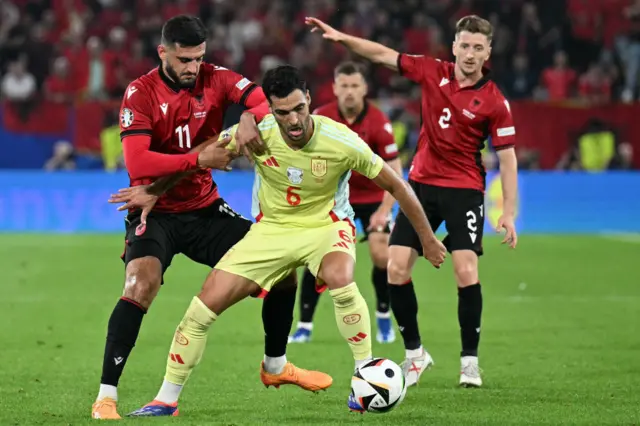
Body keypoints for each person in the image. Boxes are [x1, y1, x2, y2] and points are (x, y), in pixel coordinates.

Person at [121, 65, 446, 415]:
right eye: (282, 112)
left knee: (341, 277)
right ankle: (166, 400)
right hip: (271, 230)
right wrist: (155, 191)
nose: (293, 120)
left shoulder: (340, 141)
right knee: (203, 305)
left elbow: (398, 184)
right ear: (270, 110)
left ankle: (362, 379)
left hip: (325, 226)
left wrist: (427, 239)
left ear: (308, 100)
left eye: (299, 109)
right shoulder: (255, 133)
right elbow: (203, 159)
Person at [92, 16, 331, 420]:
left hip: (205, 209)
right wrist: (200, 157)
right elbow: (138, 160)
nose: (192, 68)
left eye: (199, 59)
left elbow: (257, 97)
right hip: (154, 208)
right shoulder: (140, 93)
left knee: (284, 270)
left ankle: (275, 366)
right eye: (184, 60)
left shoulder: (216, 78)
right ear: (163, 52)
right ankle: (106, 396)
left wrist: (250, 117)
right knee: (140, 284)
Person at [306, 14, 519, 387]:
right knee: (395, 267)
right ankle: (415, 354)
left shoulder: (495, 101)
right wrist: (341, 37)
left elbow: (508, 157)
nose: (470, 54)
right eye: (464, 46)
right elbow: (382, 55)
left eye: (478, 48)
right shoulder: (431, 71)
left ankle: (469, 361)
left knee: (466, 270)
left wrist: (509, 212)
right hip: (419, 186)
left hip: (464, 191)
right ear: (454, 47)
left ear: (488, 52)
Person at [289, 61, 402, 345]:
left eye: (355, 86)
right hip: (336, 200)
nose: (350, 92)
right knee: (316, 261)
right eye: (345, 86)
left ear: (364, 88)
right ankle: (304, 325)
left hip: (375, 199)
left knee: (381, 255)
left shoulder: (379, 122)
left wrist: (385, 210)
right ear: (335, 88)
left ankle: (383, 316)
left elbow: (395, 171)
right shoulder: (320, 117)